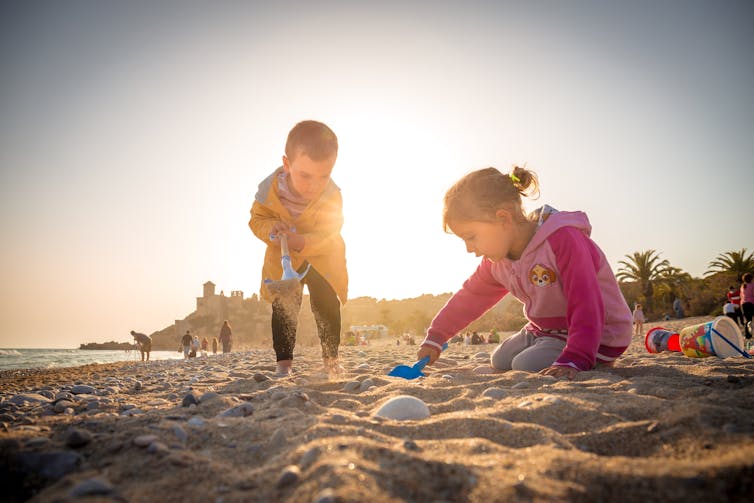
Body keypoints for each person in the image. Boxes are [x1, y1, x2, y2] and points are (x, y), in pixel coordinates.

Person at [418, 166, 633, 379]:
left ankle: (587, 356)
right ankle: (547, 343)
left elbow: (586, 300)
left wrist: (576, 356)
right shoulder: (497, 261)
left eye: (471, 236)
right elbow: (470, 297)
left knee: (524, 364)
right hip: (546, 331)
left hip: (599, 333)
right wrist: (436, 336)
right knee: (500, 359)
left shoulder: (563, 239)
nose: (469, 248)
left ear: (503, 218)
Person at [248, 120, 347, 378]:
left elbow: (332, 229)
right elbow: (256, 220)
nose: (314, 185)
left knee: (326, 304)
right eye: (305, 176)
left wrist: (302, 242)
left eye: (323, 176)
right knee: (284, 307)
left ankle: (331, 360)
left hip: (323, 258)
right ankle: (283, 364)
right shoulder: (268, 193)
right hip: (284, 259)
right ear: (287, 164)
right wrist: (273, 230)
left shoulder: (331, 195)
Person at [741, 273, 754, 339]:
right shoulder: (752, 285)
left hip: (744, 304)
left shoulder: (743, 286)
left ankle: (747, 335)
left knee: (748, 320)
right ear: (751, 278)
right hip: (751, 303)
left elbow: (741, 296)